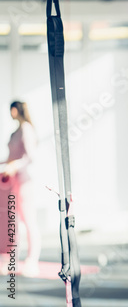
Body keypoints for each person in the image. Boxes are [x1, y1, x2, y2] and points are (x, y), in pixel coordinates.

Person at [0, 101, 41, 277]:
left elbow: (30, 157)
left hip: (23, 181)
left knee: (29, 220)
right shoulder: (16, 131)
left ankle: (32, 261)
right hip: (11, 182)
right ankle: (12, 261)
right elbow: (11, 158)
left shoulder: (26, 129)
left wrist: (14, 166)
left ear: (16, 110)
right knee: (12, 222)